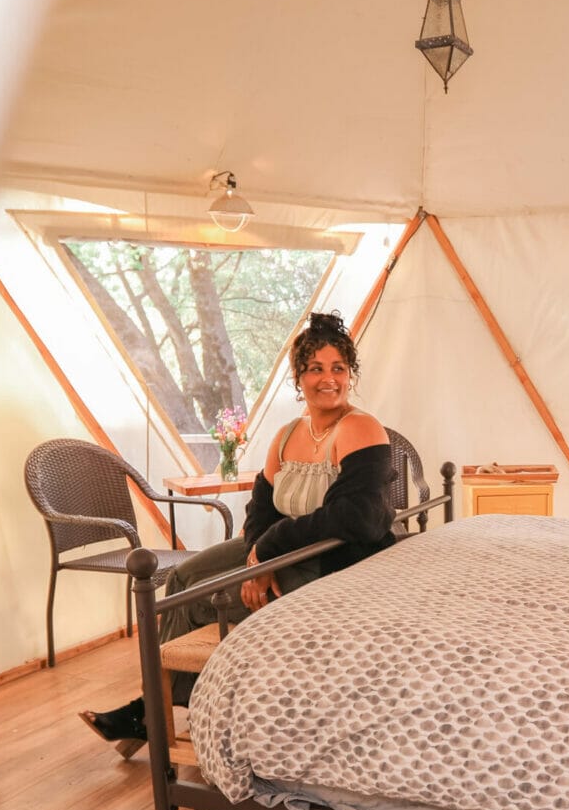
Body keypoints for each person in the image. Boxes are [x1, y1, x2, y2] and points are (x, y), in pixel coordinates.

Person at [79, 312, 397, 741]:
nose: (328, 379)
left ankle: (158, 712)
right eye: (316, 368)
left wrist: (266, 556)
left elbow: (354, 517)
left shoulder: (361, 428)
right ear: (298, 377)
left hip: (336, 560)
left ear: (350, 375)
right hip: (287, 548)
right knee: (184, 577)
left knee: (205, 599)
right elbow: (260, 510)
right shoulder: (287, 434)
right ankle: (159, 704)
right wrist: (257, 556)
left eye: (338, 368)